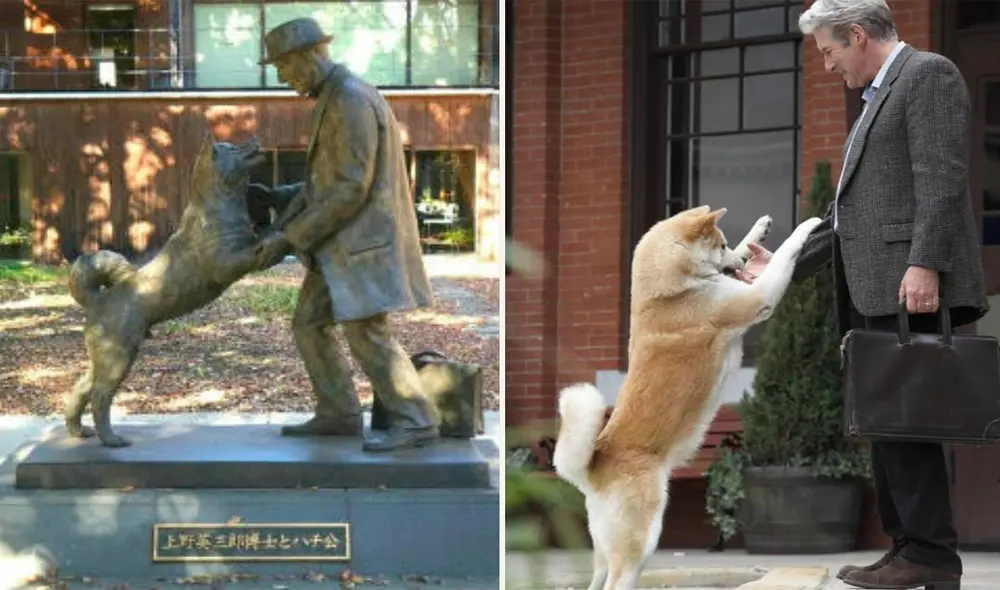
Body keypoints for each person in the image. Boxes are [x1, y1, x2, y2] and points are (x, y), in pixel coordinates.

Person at [738, 0, 988, 588]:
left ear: (857, 35)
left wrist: (924, 263)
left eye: (828, 51)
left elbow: (942, 175)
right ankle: (909, 548)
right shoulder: (878, 95)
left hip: (909, 284)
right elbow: (851, 213)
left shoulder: (926, 74)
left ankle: (929, 553)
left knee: (907, 421)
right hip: (876, 286)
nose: (826, 65)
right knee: (886, 421)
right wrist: (787, 265)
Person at [250, 17, 442, 453]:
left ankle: (416, 419)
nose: (282, 77)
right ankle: (338, 413)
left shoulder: (350, 98)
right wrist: (280, 197)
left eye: (283, 66)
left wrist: (286, 238)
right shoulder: (335, 96)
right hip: (339, 246)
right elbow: (330, 179)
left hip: (359, 245)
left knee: (366, 332)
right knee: (309, 323)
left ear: (309, 55)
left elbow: (350, 188)